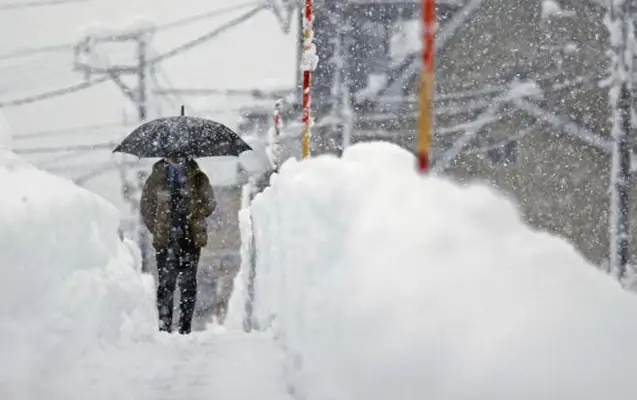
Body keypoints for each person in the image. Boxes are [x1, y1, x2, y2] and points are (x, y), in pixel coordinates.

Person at [140, 154, 216, 334]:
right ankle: (164, 326)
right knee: (166, 285)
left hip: (190, 238)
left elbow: (210, 204)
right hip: (166, 241)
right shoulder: (157, 177)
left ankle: (185, 327)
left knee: (188, 284)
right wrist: (158, 227)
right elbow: (146, 207)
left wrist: (197, 208)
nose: (176, 153)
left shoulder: (198, 176)